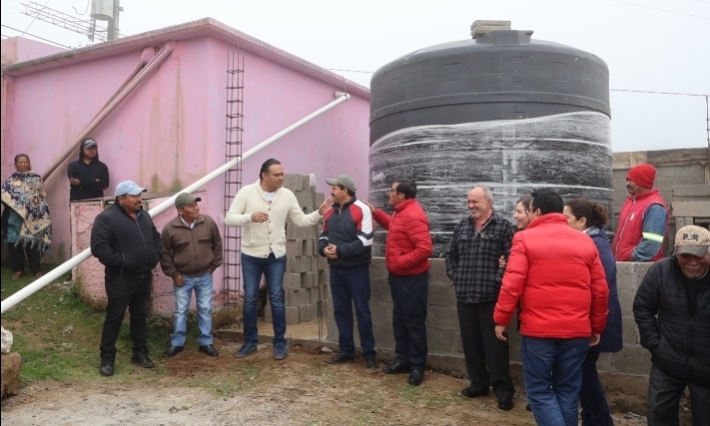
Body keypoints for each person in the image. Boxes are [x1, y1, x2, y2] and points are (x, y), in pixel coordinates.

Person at [494, 188, 609, 426]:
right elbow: (600, 290)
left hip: (539, 332)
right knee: (567, 392)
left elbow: (512, 284)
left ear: (537, 211)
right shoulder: (585, 241)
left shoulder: (524, 238)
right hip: (577, 331)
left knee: (539, 392)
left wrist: (501, 319)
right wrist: (597, 326)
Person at [225, 158, 330, 361]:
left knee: (276, 299)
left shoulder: (287, 195)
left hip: (276, 256)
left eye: (282, 174)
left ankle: (280, 343)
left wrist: (318, 213)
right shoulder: (246, 192)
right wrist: (249, 217)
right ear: (264, 175)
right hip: (251, 256)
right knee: (250, 299)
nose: (281, 177)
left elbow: (301, 221)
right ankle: (249, 342)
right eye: (277, 174)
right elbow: (229, 218)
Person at [445, 186, 516, 411]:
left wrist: (496, 279)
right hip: (465, 295)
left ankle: (503, 391)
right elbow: (450, 255)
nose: (471, 206)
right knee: (471, 344)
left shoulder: (503, 226)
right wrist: (456, 276)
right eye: (469, 202)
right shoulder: (462, 226)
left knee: (495, 347)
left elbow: (512, 259)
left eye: (475, 202)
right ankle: (478, 383)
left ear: (489, 203)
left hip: (490, 297)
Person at [633, 225, 710, 426]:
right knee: (659, 416)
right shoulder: (661, 271)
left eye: (699, 255)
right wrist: (655, 344)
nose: (692, 262)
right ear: (676, 254)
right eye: (685, 256)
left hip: (707, 367)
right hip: (668, 362)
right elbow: (642, 307)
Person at [90, 180, 162, 377]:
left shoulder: (144, 216)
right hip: (120, 278)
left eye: (140, 194)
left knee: (140, 316)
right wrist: (123, 262)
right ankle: (107, 358)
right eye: (134, 196)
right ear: (121, 199)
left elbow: (156, 238)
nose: (140, 199)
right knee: (115, 317)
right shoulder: (106, 219)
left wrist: (156, 255)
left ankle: (139, 353)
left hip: (143, 277)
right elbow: (99, 248)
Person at [563, 198, 623, 426]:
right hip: (588, 318)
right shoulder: (587, 241)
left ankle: (600, 419)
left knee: (584, 371)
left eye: (566, 217)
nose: (561, 221)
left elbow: (600, 286)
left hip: (595, 319)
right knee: (582, 370)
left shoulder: (597, 244)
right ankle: (590, 417)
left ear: (581, 221)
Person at [368, 180, 433, 386]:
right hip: (399, 277)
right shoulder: (401, 212)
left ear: (402, 195)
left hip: (412, 278)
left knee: (413, 322)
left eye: (392, 191)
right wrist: (376, 212)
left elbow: (425, 249)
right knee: (401, 320)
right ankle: (403, 360)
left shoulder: (413, 215)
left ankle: (417, 366)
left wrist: (399, 262)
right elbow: (395, 228)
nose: (389, 194)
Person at [318, 175, 377, 370]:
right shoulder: (330, 213)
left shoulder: (362, 209)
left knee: (363, 312)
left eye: (334, 188)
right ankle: (346, 351)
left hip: (357, 270)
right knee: (341, 311)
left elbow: (366, 240)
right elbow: (323, 236)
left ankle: (369, 354)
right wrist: (324, 249)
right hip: (336, 270)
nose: (331, 191)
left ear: (345, 190)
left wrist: (339, 251)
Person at [160, 193, 223, 359]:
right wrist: (174, 274)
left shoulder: (208, 222)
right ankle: (177, 343)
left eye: (196, 204)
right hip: (183, 277)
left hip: (205, 275)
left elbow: (217, 244)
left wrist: (213, 266)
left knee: (205, 308)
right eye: (191, 206)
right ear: (181, 210)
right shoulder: (170, 228)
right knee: (181, 310)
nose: (196, 208)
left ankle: (206, 342)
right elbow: (165, 254)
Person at [1, 154, 52, 279]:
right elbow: (4, 195)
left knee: (32, 242)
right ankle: (18, 270)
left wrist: (32, 204)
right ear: (15, 165)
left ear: (29, 163)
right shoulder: (11, 179)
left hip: (31, 217)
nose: (23, 164)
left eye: (25, 162)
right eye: (20, 162)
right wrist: (17, 204)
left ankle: (36, 269)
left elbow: (42, 196)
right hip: (14, 217)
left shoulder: (36, 178)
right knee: (14, 244)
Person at [612, 164, 668, 261]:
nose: (627, 184)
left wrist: (630, 256)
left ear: (642, 182)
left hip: (641, 269)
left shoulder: (655, 206)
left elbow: (651, 244)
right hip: (624, 266)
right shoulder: (630, 202)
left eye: (631, 180)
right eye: (627, 180)